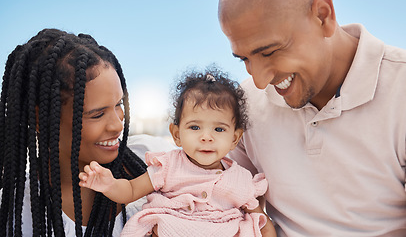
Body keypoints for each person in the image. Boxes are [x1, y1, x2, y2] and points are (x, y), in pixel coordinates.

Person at [218, 0, 406, 236]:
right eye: (245, 59)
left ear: (322, 15)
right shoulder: (246, 101)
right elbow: (221, 197)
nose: (260, 80)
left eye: (269, 52)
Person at [0, 28, 174, 237]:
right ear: (40, 119)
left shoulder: (157, 158)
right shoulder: (17, 214)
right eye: (97, 114)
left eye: (118, 104)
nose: (117, 125)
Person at [79, 67, 276, 237]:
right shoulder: (169, 166)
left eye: (219, 129)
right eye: (195, 127)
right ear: (176, 134)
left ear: (235, 138)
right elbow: (130, 190)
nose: (206, 137)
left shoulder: (240, 179)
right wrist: (109, 184)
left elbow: (261, 221)